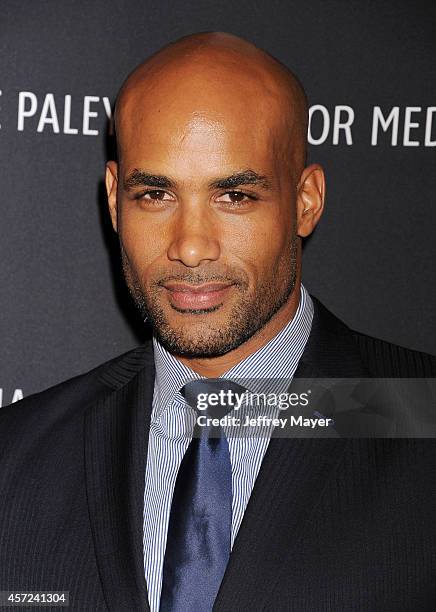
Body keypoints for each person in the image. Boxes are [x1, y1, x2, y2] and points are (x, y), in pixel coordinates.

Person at [0, 32, 435, 612]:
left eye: (234, 196)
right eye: (155, 194)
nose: (191, 247)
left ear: (305, 202)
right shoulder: (17, 456)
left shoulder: (420, 417)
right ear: (113, 201)